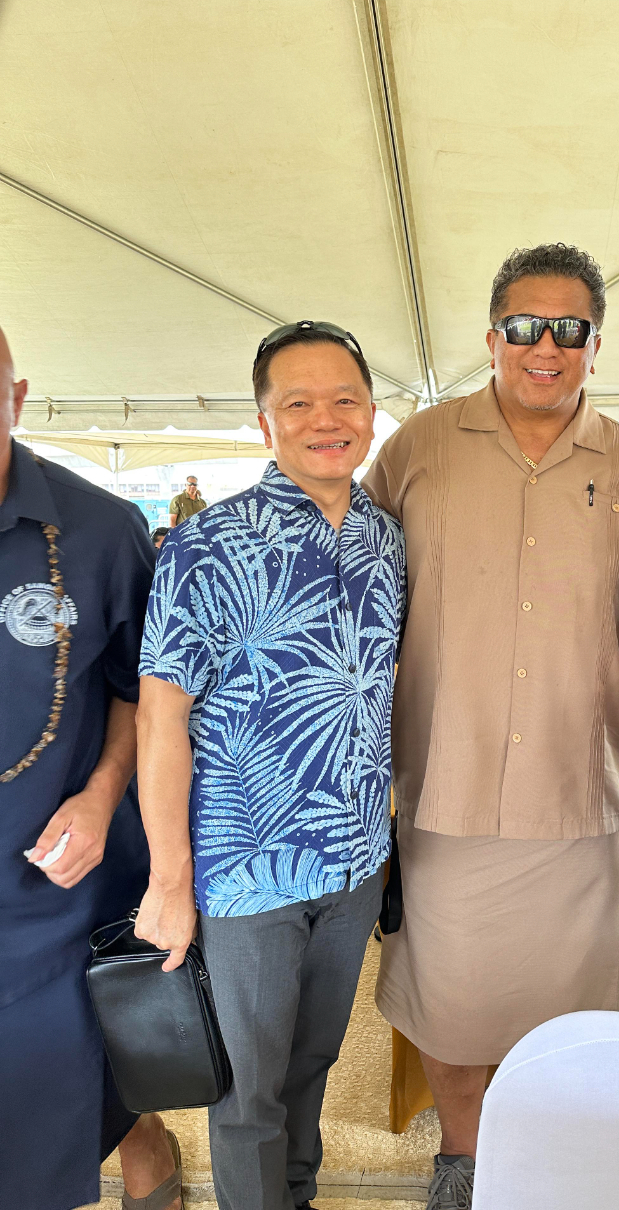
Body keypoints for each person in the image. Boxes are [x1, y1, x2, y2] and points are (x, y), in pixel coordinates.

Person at [363, 243, 619, 1209]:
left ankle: (563, 1163)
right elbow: (352, 586)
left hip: (580, 788)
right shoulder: (417, 446)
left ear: (593, 344)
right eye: (526, 327)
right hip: (443, 781)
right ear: (492, 336)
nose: (547, 347)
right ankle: (465, 1158)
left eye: (569, 329)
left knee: (578, 1011)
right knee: (453, 1008)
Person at [135, 320, 405, 1210]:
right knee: (248, 1089)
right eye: (299, 403)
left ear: (372, 413)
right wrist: (170, 881)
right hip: (247, 870)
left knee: (316, 1060)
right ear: (265, 423)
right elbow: (161, 720)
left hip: (355, 858)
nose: (325, 420)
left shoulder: (386, 540)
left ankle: (299, 1195)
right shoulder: (204, 547)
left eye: (345, 400)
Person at [0, 327, 181, 1210]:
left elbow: (143, 692)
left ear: (18, 398)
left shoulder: (103, 531)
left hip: (53, 881)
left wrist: (102, 794)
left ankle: (141, 1139)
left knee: (52, 1097)